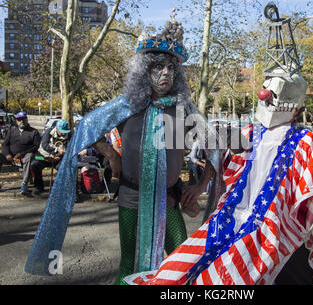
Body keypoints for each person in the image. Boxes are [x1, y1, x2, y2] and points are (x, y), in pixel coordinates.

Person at [25, 14, 223, 284]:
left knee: (181, 261)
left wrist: (200, 186)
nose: (165, 73)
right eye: (158, 66)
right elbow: (86, 128)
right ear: (145, 69)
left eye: (171, 68)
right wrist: (110, 153)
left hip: (169, 202)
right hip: (132, 198)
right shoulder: (127, 105)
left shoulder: (183, 109)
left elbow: (216, 147)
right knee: (129, 264)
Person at [123, 65, 313, 285]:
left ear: (295, 108)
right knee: (213, 268)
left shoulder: (306, 141)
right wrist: (201, 185)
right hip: (234, 219)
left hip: (279, 226)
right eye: (266, 91)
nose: (264, 96)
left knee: (292, 273)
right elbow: (215, 153)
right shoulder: (247, 133)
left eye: (273, 94)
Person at [0, 111, 41, 195]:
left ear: (27, 119)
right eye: (19, 119)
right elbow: (4, 145)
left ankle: (24, 184)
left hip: (25, 157)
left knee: (29, 157)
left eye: (23, 119)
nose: (21, 121)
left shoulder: (34, 132)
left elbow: (35, 147)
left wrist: (22, 154)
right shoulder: (12, 130)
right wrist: (7, 154)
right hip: (11, 157)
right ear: (16, 121)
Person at [30, 119, 71, 195]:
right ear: (57, 128)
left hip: (58, 159)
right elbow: (44, 145)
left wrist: (59, 156)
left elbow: (68, 149)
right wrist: (56, 151)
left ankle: (60, 187)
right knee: (34, 163)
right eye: (61, 131)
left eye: (65, 132)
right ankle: (38, 187)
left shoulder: (69, 136)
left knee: (63, 167)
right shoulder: (48, 132)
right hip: (44, 157)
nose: (63, 134)